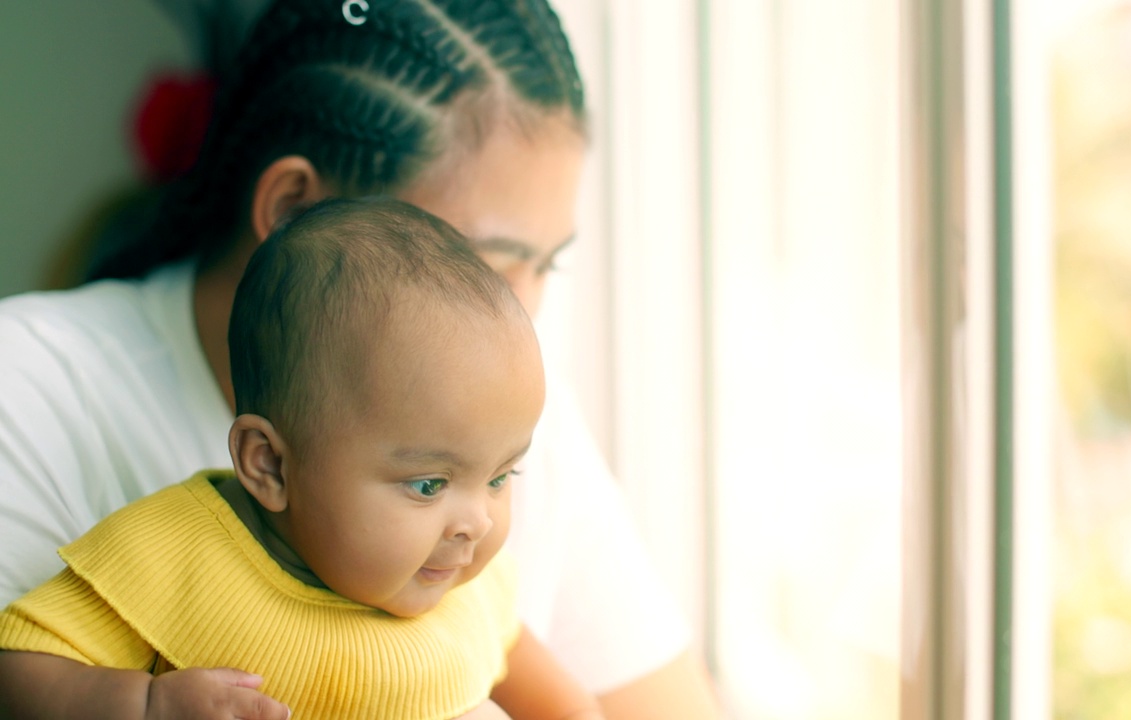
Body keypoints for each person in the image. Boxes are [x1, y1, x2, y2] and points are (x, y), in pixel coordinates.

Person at [0, 1, 721, 717]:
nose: (520, 317)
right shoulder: (30, 393)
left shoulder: (507, 419)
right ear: (292, 211)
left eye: (547, 266)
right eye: (477, 268)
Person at [0, 197, 606, 720]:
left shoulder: (467, 590)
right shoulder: (175, 554)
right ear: (269, 465)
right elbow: (19, 669)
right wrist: (144, 705)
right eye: (428, 484)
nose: (477, 521)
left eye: (500, 476)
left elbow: (568, 706)